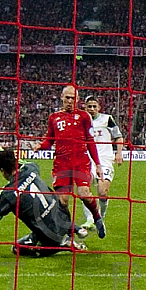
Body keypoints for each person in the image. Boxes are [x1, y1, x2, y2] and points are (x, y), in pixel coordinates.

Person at [0, 147, 87, 257]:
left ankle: (63, 244)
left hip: (49, 237)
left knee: (17, 248)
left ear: (2, 171)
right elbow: (22, 163)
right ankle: (75, 229)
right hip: (63, 218)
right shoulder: (32, 168)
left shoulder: (8, 194)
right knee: (52, 207)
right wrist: (3, 153)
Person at [34, 85, 106, 238]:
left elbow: (90, 141)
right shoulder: (54, 117)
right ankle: (70, 230)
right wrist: (40, 146)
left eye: (73, 98)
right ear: (62, 98)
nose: (70, 101)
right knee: (63, 202)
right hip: (61, 163)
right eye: (67, 98)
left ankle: (97, 218)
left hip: (81, 162)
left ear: (78, 100)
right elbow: (49, 140)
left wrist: (98, 164)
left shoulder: (84, 117)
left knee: (84, 194)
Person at [80, 95, 124, 231]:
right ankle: (89, 219)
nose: (92, 109)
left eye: (94, 106)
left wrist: (119, 153)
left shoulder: (107, 119)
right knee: (84, 189)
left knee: (102, 191)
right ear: (85, 107)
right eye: (89, 106)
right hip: (87, 159)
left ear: (99, 107)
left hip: (104, 159)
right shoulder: (82, 120)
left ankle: (101, 218)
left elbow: (119, 136)